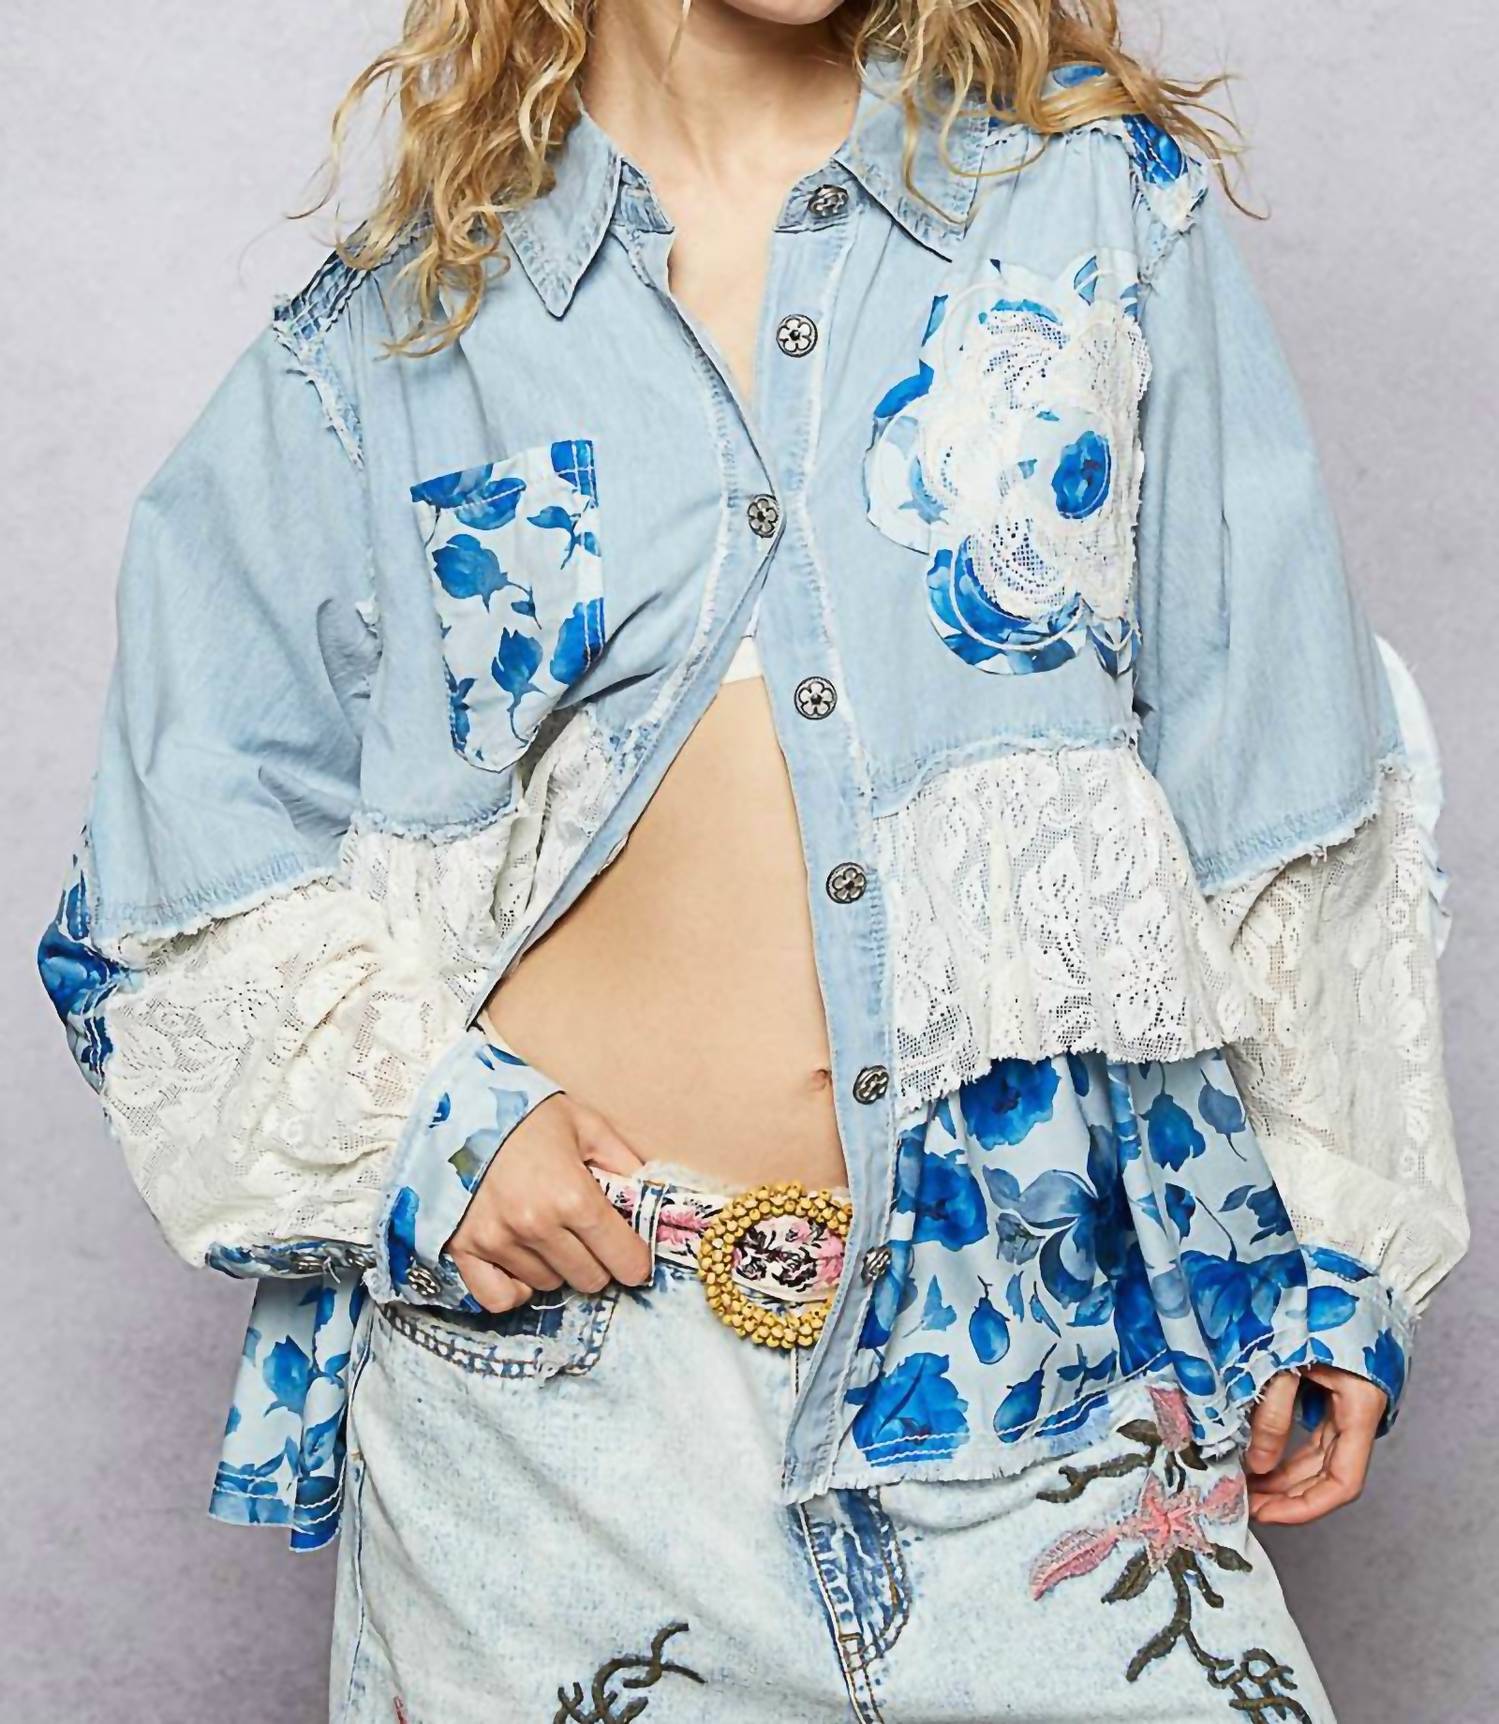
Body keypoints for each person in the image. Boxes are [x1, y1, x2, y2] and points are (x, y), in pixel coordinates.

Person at [38, 1, 1467, 1719]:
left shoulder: (1095, 203)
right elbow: (176, 856)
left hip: (1033, 1356)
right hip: (554, 1415)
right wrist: (438, 1129)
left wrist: (1331, 1238)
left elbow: (1280, 763)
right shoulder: (412, 313)